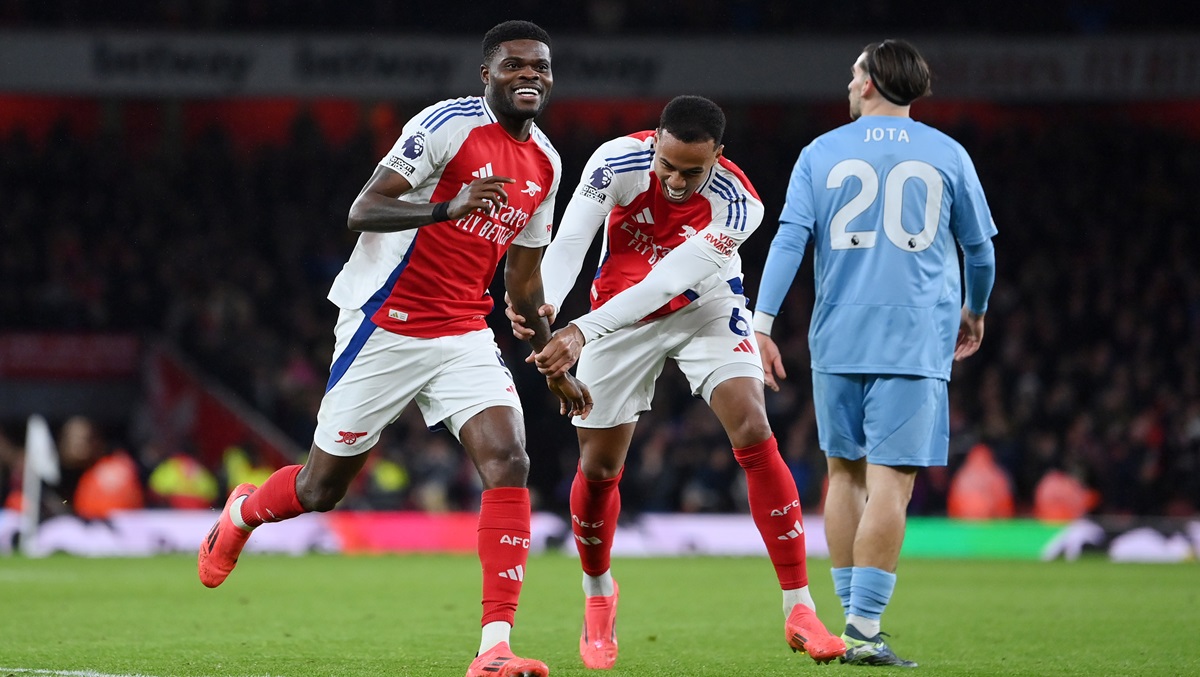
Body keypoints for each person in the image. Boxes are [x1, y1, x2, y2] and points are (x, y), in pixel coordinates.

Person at [197, 20, 591, 677]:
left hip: (464, 328)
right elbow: (362, 209)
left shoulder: (546, 164)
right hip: (386, 321)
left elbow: (523, 278)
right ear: (486, 74)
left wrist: (551, 356)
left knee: (509, 458)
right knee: (322, 487)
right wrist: (447, 206)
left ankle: (494, 646)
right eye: (515, 65)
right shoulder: (445, 126)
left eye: (541, 68)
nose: (531, 76)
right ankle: (242, 510)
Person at [509, 95, 845, 668]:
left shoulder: (741, 205)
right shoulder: (615, 162)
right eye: (667, 165)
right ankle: (598, 595)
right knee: (599, 469)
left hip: (702, 306)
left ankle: (800, 607)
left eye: (693, 171)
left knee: (753, 426)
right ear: (654, 141)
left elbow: (670, 281)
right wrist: (543, 309)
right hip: (616, 308)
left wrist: (580, 332)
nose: (676, 181)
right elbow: (569, 245)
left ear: (720, 155)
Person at [751, 39, 998, 667]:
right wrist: (975, 309)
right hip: (916, 337)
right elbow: (982, 251)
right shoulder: (948, 153)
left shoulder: (821, 151)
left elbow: (789, 241)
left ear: (867, 84)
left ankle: (846, 621)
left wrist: (762, 323)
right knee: (893, 481)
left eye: (853, 71)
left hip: (837, 334)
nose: (849, 80)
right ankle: (864, 628)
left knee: (844, 473)